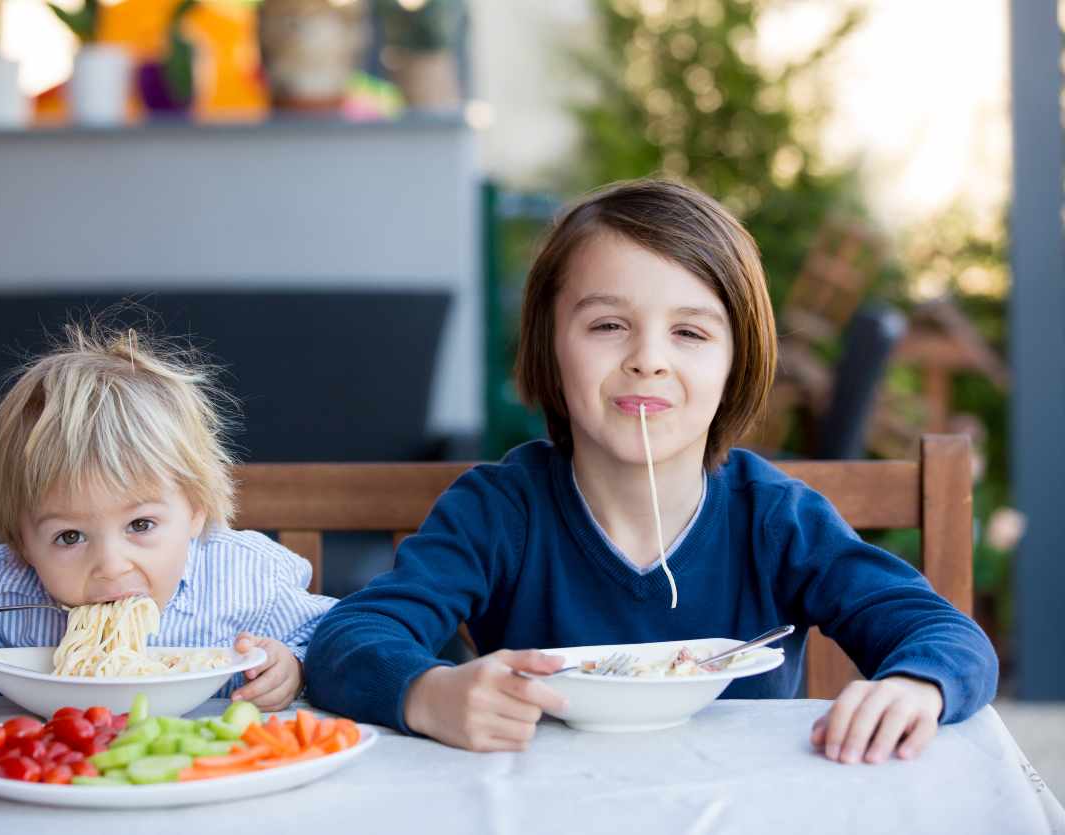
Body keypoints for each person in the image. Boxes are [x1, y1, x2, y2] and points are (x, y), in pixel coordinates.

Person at [305, 179, 998, 763]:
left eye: (690, 333)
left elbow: (948, 637)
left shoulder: (776, 519)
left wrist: (916, 685)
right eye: (608, 325)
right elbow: (349, 639)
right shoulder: (498, 512)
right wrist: (429, 692)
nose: (648, 359)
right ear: (551, 348)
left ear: (736, 366)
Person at [0, 324, 335, 711]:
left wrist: (292, 667)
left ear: (196, 510)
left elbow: (333, 644)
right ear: (23, 541)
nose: (111, 565)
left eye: (140, 525)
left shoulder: (249, 578)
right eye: (70, 535)